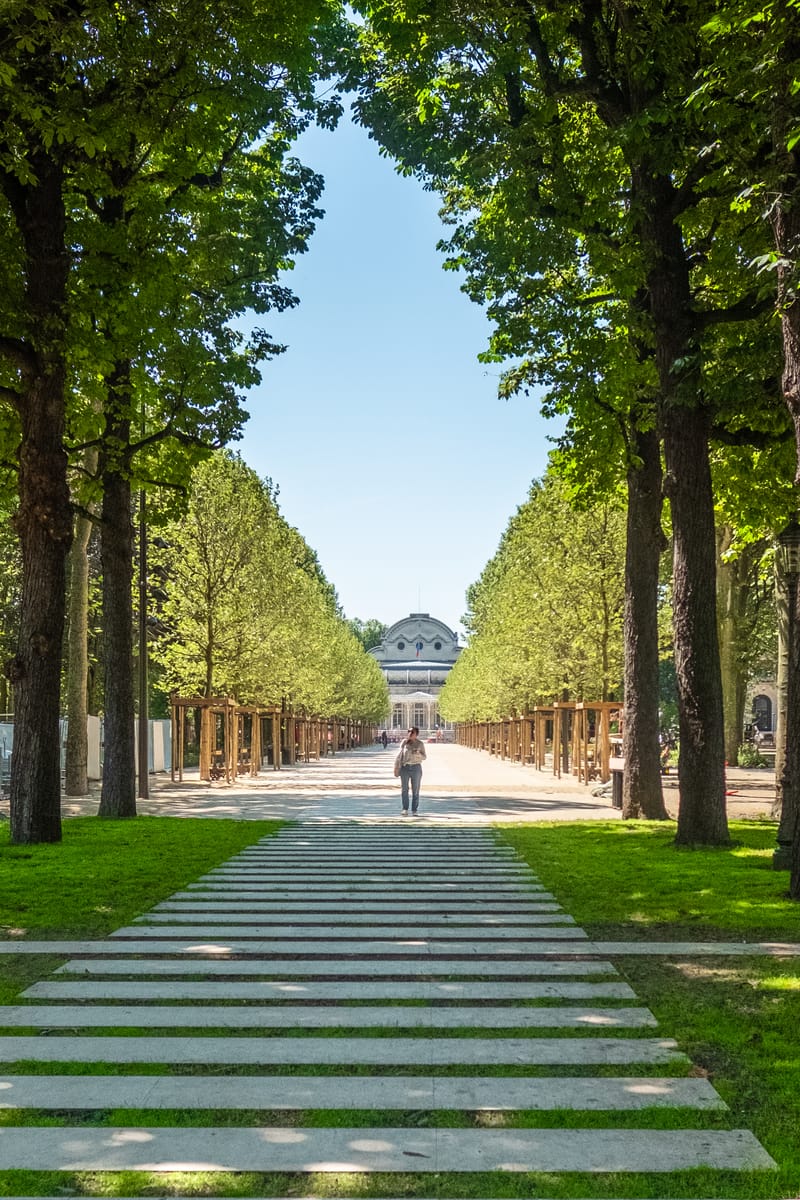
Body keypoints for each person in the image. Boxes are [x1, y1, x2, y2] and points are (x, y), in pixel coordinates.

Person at [394, 726, 427, 815]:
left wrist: (418, 754)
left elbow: (424, 757)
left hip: (416, 767)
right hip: (405, 768)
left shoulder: (420, 744)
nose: (410, 733)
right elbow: (399, 756)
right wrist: (397, 767)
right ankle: (405, 808)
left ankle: (414, 809)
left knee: (415, 789)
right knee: (404, 789)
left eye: (412, 732)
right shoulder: (404, 743)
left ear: (416, 734)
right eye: (409, 732)